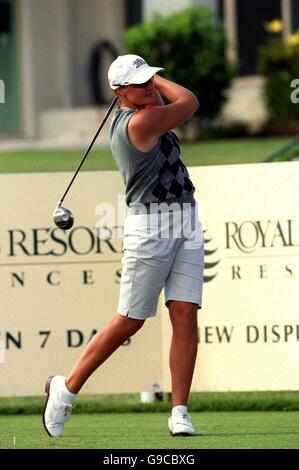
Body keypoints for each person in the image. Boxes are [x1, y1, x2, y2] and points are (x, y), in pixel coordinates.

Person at [43, 54, 204, 438]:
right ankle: (65, 390)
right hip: (151, 226)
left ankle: (179, 411)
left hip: (186, 218)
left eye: (150, 80)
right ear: (120, 94)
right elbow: (190, 102)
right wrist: (161, 78)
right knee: (130, 319)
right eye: (140, 83)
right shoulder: (141, 121)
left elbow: (172, 105)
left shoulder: (143, 108)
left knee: (185, 314)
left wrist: (146, 78)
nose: (149, 86)